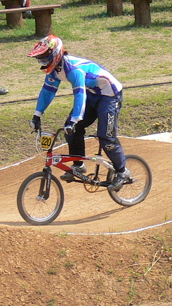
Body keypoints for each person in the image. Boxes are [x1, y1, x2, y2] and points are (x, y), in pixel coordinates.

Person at [27, 35, 130, 192]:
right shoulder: (55, 70)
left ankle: (122, 172)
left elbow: (79, 95)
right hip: (93, 94)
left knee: (106, 137)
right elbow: (48, 91)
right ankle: (79, 166)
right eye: (40, 60)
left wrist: (74, 119)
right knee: (72, 131)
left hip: (110, 96)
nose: (43, 63)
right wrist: (37, 114)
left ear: (55, 55)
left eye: (44, 59)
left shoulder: (74, 69)